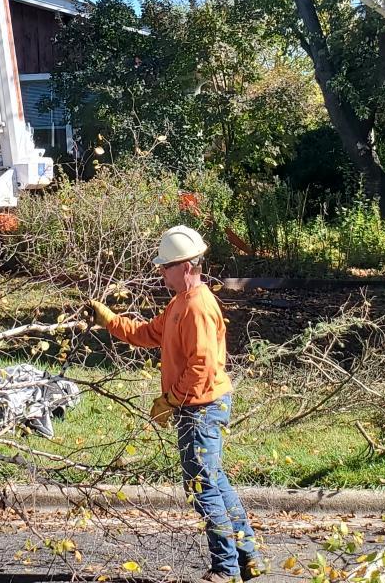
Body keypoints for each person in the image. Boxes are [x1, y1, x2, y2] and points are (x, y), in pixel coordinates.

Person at [90, 225, 264, 583]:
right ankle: (247, 556)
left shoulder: (197, 306)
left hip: (201, 408)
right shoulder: (179, 302)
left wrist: (172, 400)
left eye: (165, 266)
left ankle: (226, 568)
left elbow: (201, 366)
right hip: (197, 405)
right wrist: (110, 321)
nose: (160, 271)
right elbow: (147, 334)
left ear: (186, 266)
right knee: (215, 481)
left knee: (202, 487)